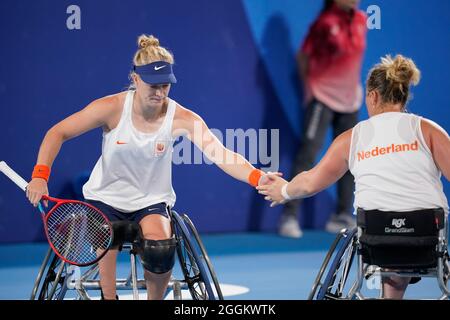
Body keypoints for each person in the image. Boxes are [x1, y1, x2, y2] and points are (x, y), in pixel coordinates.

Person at [25, 34, 271, 300]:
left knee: (161, 248)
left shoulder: (183, 117)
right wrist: (40, 175)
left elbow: (222, 154)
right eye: (152, 84)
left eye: (165, 84)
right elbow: (57, 132)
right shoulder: (112, 107)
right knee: (106, 236)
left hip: (151, 202)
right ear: (135, 79)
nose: (159, 92)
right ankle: (109, 298)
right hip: (105, 198)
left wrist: (257, 177)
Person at [257, 54, 449, 299]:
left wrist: (283, 191)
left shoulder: (353, 138)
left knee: (388, 239)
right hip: (427, 241)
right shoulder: (429, 131)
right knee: (403, 238)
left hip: (377, 244)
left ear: (373, 96)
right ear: (402, 96)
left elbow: (310, 182)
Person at [279, 0, 367, 238]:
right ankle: (290, 215)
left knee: (350, 157)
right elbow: (304, 57)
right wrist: (311, 87)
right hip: (322, 97)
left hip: (350, 102)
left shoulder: (360, 21)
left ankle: (342, 215)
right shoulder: (324, 23)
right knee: (308, 153)